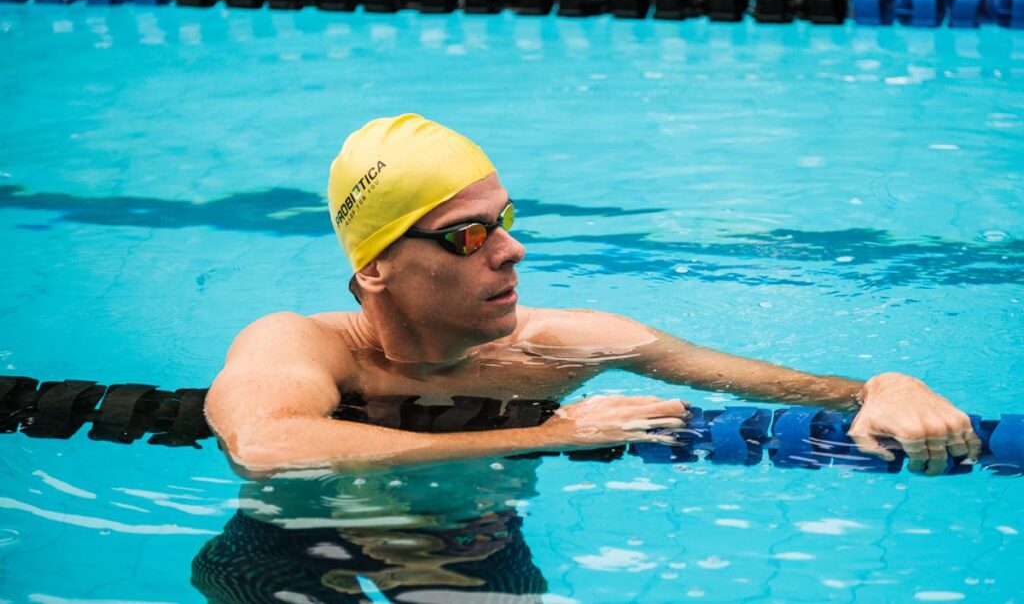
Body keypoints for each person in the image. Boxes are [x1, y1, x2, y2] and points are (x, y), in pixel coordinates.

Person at [197, 113, 981, 602]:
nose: (511, 250)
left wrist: (886, 383)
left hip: (467, 542)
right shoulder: (298, 341)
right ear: (375, 268)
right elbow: (269, 445)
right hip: (286, 541)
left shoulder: (562, 345)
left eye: (503, 219)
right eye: (468, 236)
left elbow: (787, 384)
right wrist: (550, 435)